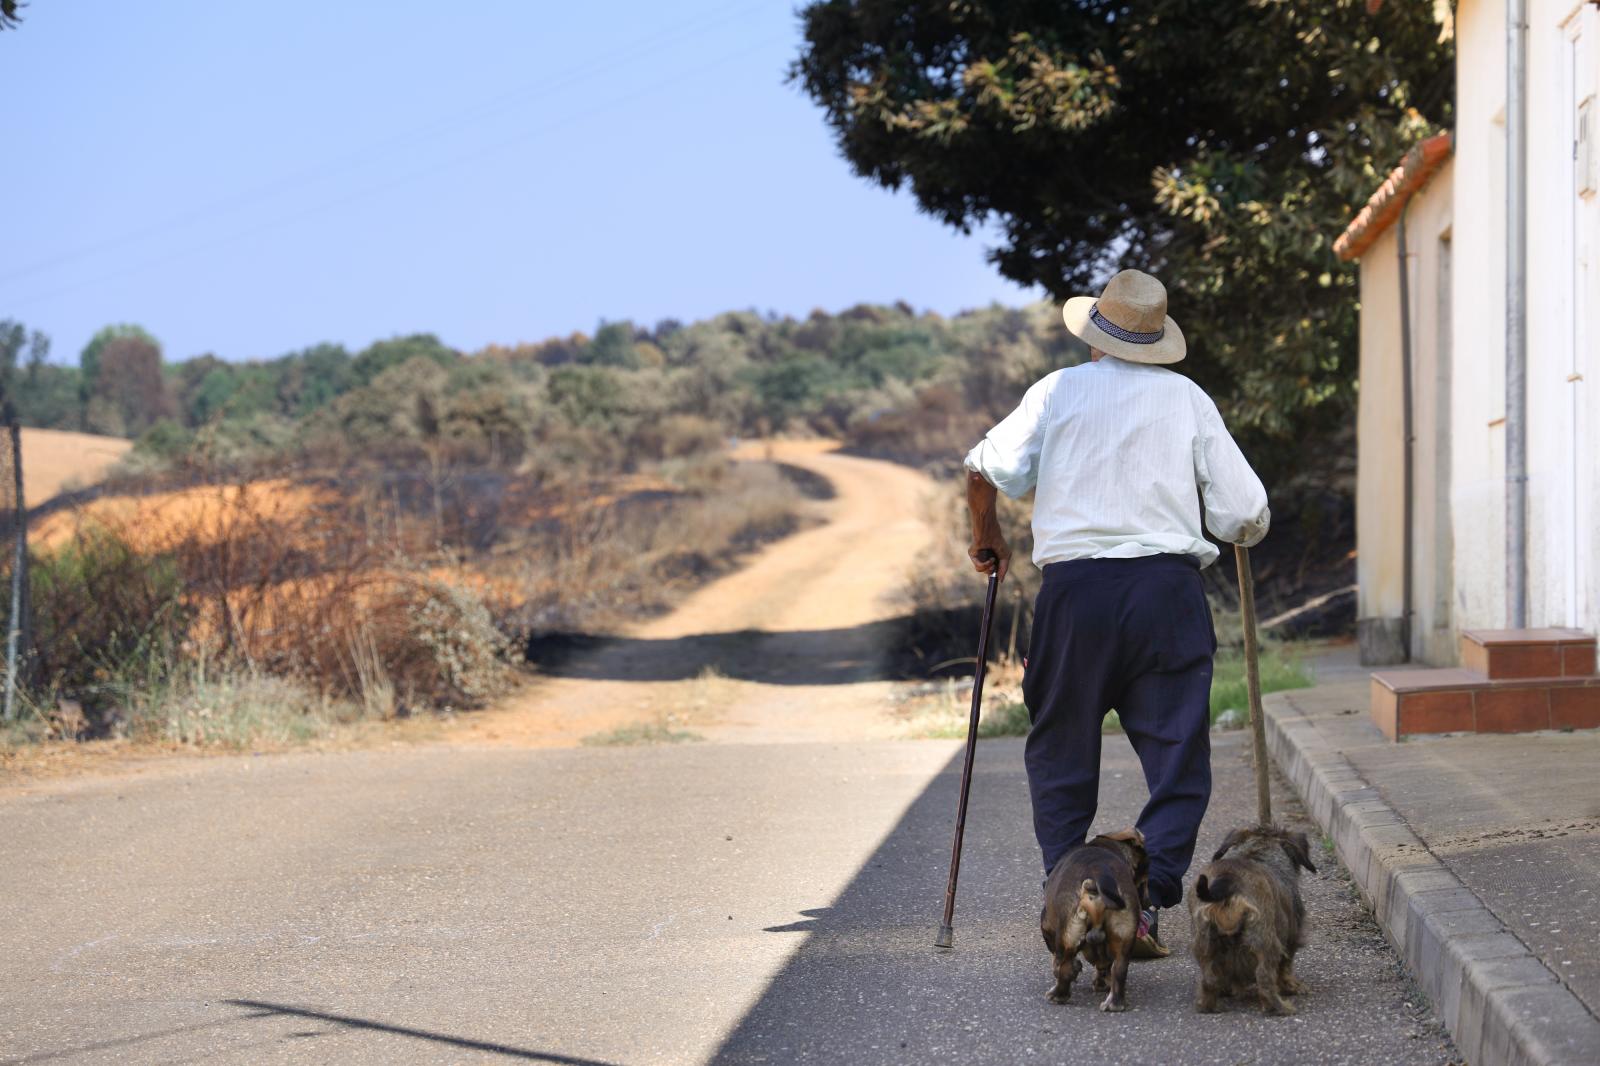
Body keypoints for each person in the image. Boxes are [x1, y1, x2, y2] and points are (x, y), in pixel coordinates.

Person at [963, 268, 1269, 957]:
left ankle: (1072, 893)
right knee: (1177, 754)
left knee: (1062, 745)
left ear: (1097, 338)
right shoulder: (1187, 399)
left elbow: (983, 468)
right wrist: (1236, 530)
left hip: (1078, 598)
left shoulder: (1058, 391)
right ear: (1156, 341)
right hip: (1167, 596)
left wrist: (987, 536)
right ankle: (1147, 900)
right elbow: (1244, 513)